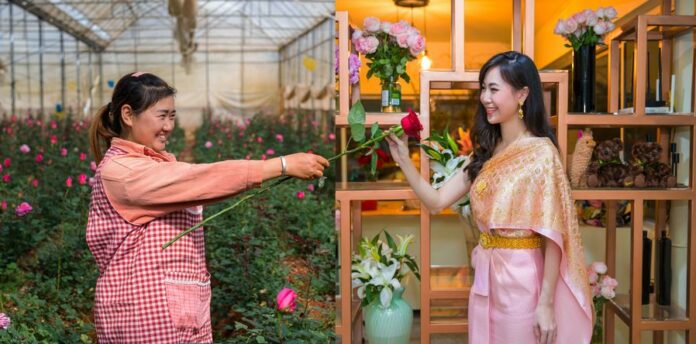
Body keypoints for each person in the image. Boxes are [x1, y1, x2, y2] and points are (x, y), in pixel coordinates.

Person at [86, 72, 329, 343]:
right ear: (128, 115)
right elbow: (198, 179)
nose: (168, 126)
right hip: (143, 317)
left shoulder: (148, 163)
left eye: (172, 116)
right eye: (161, 116)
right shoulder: (122, 172)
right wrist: (280, 165)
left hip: (171, 312)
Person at [385, 51, 592, 344]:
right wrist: (404, 159)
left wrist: (545, 303)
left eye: (494, 89)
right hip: (485, 277)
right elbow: (436, 201)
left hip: (522, 283)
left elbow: (554, 234)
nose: (485, 97)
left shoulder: (541, 154)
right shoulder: (485, 152)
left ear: (522, 94)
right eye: (483, 88)